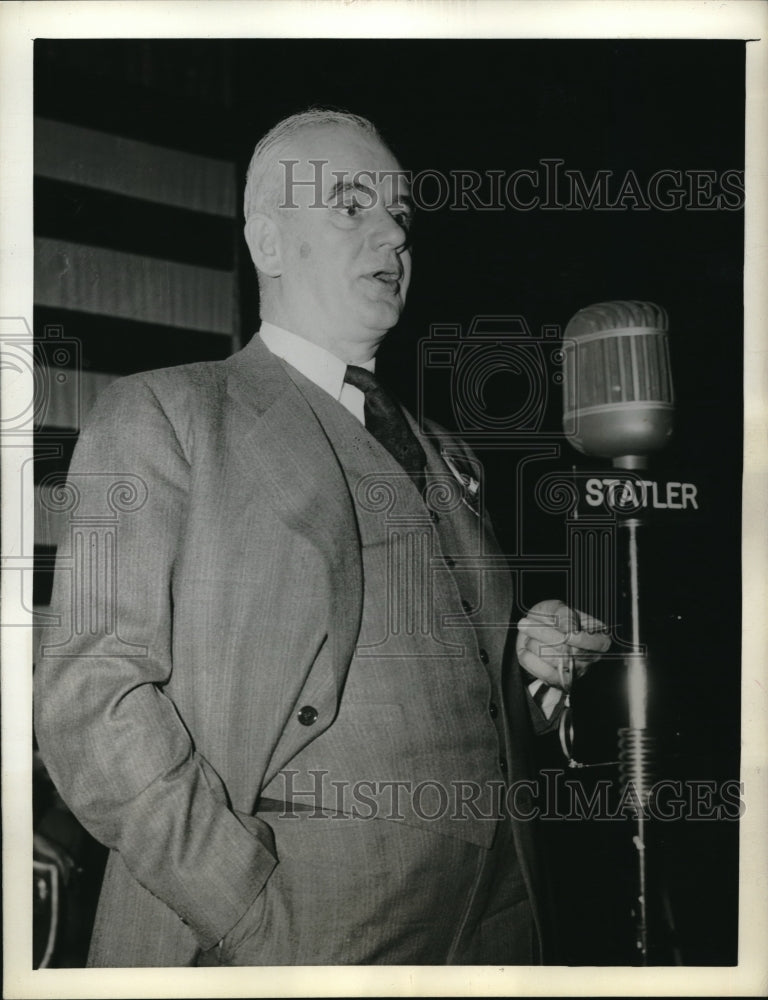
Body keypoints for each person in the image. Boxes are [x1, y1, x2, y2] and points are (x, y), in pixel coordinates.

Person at [34, 109, 609, 967]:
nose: (392, 233)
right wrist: (246, 907)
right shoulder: (167, 414)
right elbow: (92, 701)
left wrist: (527, 670)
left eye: (401, 213)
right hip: (298, 926)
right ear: (268, 242)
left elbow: (461, 685)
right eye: (350, 205)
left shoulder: (446, 449)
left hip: (502, 919)